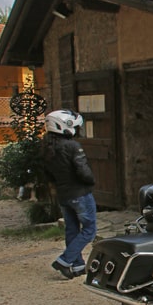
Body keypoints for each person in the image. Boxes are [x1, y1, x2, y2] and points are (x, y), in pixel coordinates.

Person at [42, 110, 97, 279]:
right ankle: (64, 260)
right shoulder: (72, 146)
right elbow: (83, 171)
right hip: (80, 193)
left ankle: (77, 265)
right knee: (89, 230)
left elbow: (48, 174)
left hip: (63, 194)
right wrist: (90, 181)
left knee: (72, 229)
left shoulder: (46, 147)